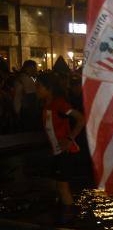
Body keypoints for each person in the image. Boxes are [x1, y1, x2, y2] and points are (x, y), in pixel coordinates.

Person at [35, 71, 85, 219]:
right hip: (58, 153)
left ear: (48, 88)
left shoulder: (59, 103)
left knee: (63, 188)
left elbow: (81, 119)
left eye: (39, 87)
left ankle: (71, 222)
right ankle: (65, 218)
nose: (36, 90)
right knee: (59, 186)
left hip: (66, 152)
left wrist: (70, 139)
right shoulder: (47, 104)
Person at [13, 59, 39, 131]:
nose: (36, 69)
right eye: (35, 67)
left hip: (25, 112)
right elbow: (17, 99)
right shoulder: (24, 80)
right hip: (26, 113)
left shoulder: (23, 78)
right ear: (30, 67)